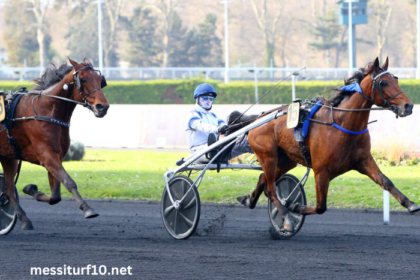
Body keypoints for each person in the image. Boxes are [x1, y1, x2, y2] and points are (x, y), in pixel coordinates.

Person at [185, 83, 253, 163]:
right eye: (205, 98)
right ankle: (215, 151)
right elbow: (201, 126)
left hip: (217, 148)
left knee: (248, 142)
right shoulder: (192, 115)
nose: (208, 101)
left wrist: (227, 128)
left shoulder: (213, 116)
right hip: (199, 152)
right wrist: (218, 129)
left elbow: (222, 124)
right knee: (243, 145)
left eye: (211, 99)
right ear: (197, 99)